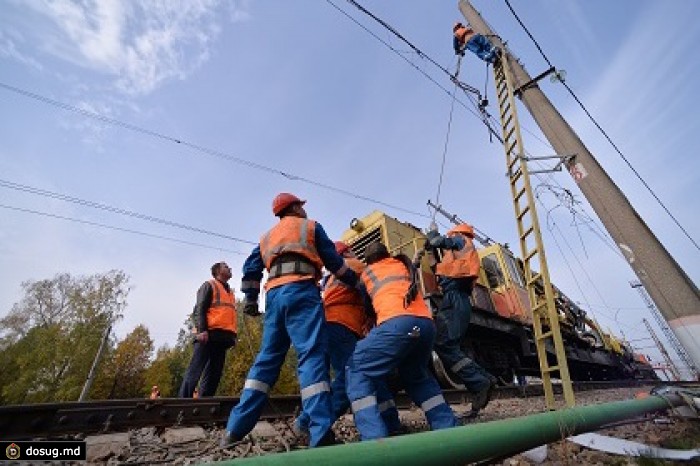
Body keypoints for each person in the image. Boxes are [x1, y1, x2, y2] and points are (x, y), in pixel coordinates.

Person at [222, 193, 358, 448]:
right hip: (302, 293)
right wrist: (356, 282)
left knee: (267, 360)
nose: (304, 210)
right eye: (301, 206)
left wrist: (251, 299)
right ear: (295, 207)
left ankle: (234, 430)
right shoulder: (311, 227)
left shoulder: (266, 237)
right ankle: (320, 434)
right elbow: (335, 263)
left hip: (273, 298)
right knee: (311, 357)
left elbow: (251, 267)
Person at [346, 242, 457, 440]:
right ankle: (447, 427)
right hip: (426, 325)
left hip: (396, 324)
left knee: (357, 368)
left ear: (369, 261)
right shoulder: (403, 265)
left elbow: (368, 308)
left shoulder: (367, 273)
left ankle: (374, 439)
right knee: (416, 376)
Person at [294, 242, 401, 437]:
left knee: (364, 373)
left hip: (328, 325)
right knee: (351, 377)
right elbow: (376, 290)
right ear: (347, 252)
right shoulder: (355, 265)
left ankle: (390, 421)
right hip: (342, 326)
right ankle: (310, 425)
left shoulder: (331, 278)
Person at [426, 223, 496, 418]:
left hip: (455, 298)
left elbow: (439, 241)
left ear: (457, 232)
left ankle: (479, 382)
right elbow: (439, 268)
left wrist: (432, 234)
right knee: (447, 345)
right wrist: (431, 250)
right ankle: (485, 379)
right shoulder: (457, 257)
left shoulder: (462, 240)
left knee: (444, 344)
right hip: (455, 298)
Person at [178, 262, 237, 398]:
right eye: (226, 267)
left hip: (223, 338)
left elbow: (230, 316)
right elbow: (199, 309)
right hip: (208, 335)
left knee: (214, 374)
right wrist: (202, 330)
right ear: (218, 271)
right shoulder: (209, 285)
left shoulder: (230, 292)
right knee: (195, 371)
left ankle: (205, 403)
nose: (229, 268)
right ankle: (182, 402)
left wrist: (233, 337)